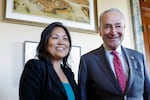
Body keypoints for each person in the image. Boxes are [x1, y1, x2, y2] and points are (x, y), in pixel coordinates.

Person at [78, 8, 150, 100]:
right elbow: (83, 96)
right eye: (107, 27)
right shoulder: (87, 61)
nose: (113, 32)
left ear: (124, 29)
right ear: (100, 31)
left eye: (118, 26)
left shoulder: (139, 57)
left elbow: (148, 93)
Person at [19, 22, 80, 100]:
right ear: (45, 42)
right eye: (55, 38)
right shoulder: (35, 67)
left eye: (65, 38)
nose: (61, 42)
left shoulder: (68, 73)